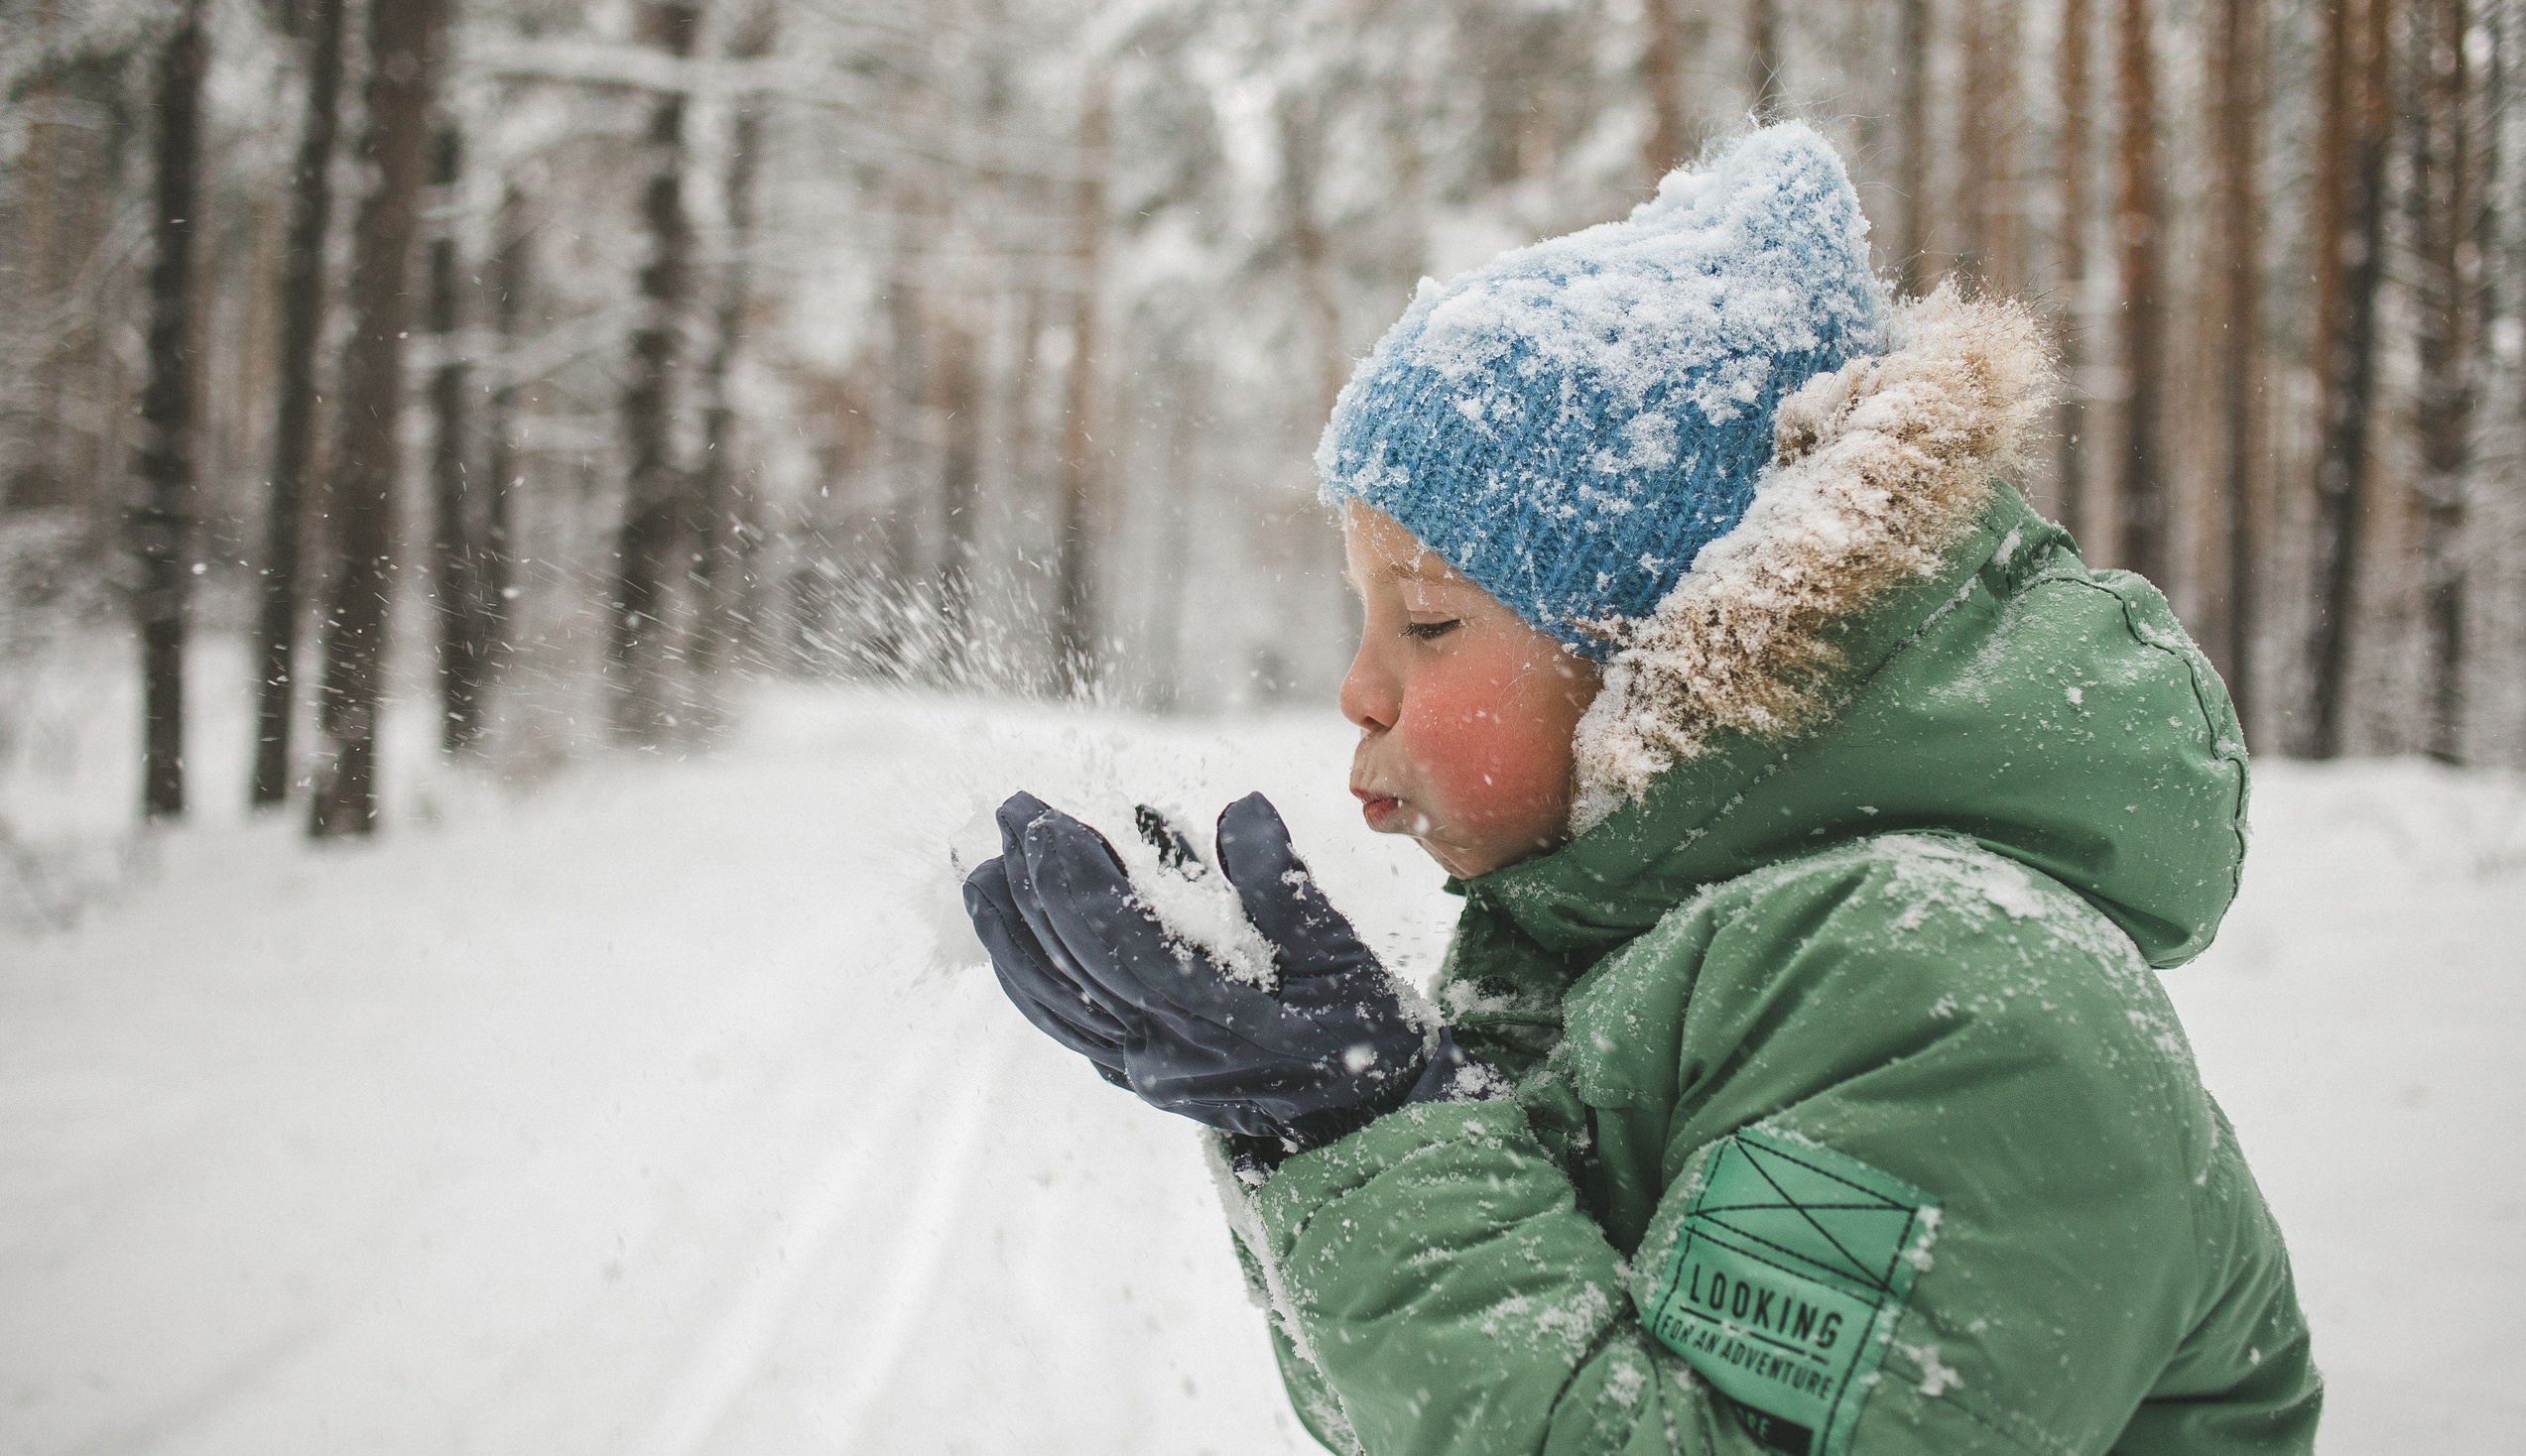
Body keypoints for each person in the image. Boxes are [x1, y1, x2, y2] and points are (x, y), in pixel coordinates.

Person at [960, 122, 2322, 1456]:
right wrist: (1331, 1124)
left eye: (1427, 624)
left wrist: (1370, 1130)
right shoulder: (1642, 966)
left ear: (1674, 651)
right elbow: (1458, 1401)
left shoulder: (1958, 999)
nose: (1359, 690)